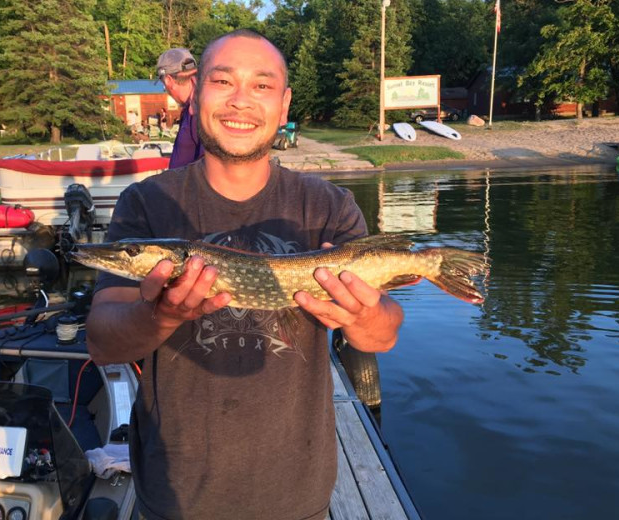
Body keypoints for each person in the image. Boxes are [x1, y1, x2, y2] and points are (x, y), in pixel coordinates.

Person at [86, 29, 404, 520]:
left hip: (297, 494)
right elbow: (103, 343)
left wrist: (362, 314)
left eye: (261, 85)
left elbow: (383, 335)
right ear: (195, 99)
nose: (240, 101)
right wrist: (160, 316)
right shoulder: (147, 203)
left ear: (283, 103)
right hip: (177, 493)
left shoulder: (329, 206)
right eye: (222, 81)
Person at [155, 47, 203, 168]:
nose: (166, 90)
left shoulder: (199, 110)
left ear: (169, 80)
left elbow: (208, 164)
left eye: (164, 85)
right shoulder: (192, 106)